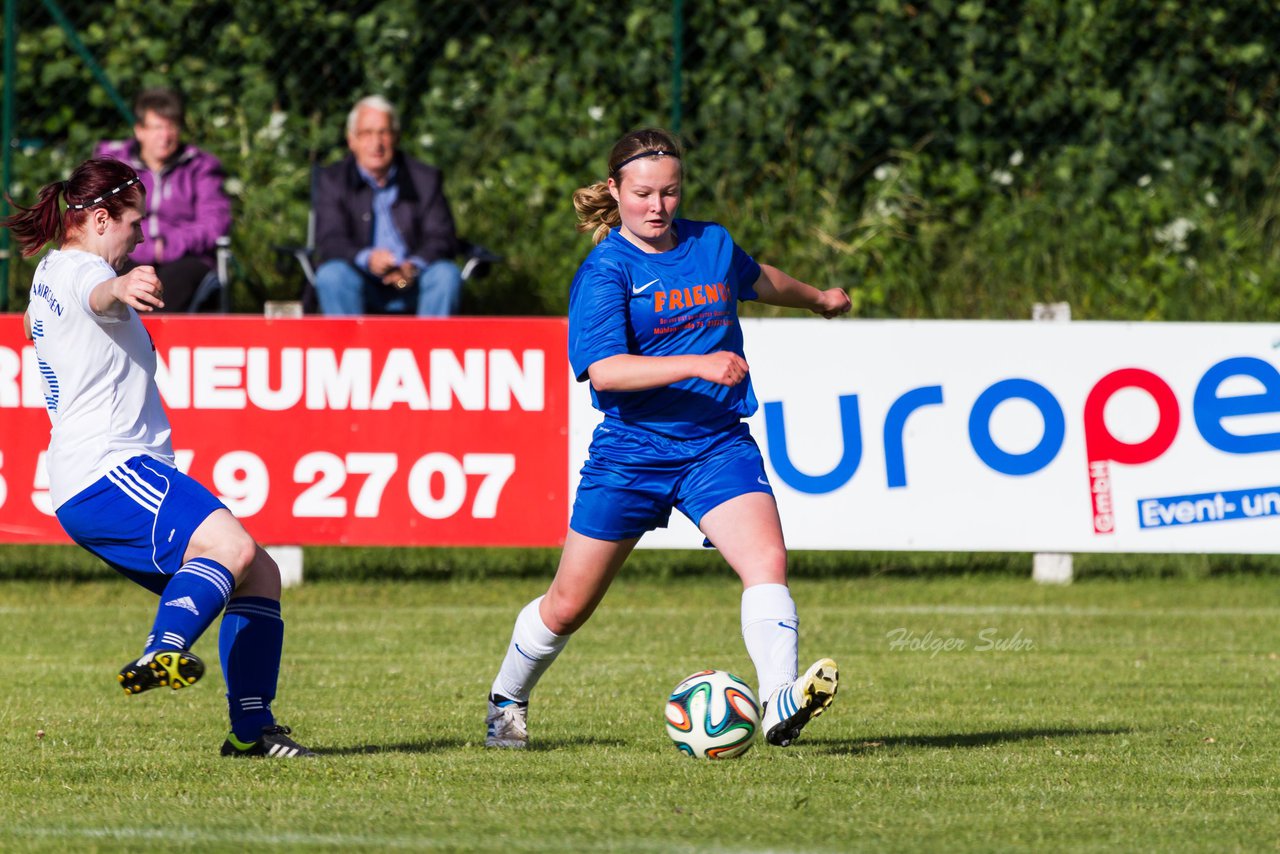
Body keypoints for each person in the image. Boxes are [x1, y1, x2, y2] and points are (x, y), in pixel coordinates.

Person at [485, 128, 852, 750]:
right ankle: (506, 701)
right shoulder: (606, 271)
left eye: (671, 192)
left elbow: (758, 279)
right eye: (643, 194)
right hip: (633, 452)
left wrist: (817, 298)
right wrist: (697, 363)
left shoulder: (711, 243)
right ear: (615, 191)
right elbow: (606, 371)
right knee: (568, 605)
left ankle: (779, 700)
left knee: (766, 563)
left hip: (716, 444)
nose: (658, 207)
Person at [4, 158, 312, 759]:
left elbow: (45, 319)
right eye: (133, 223)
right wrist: (120, 286)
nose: (140, 235)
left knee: (259, 574)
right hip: (110, 470)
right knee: (232, 549)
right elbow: (96, 293)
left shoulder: (50, 273)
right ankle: (160, 650)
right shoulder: (82, 270)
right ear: (98, 218)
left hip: (91, 481)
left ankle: (252, 731)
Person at [312, 95, 463, 317]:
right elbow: (330, 239)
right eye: (367, 133)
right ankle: (351, 350)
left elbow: (441, 236)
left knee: (446, 275)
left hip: (407, 284)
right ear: (351, 140)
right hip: (361, 284)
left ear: (396, 137)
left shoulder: (425, 179)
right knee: (332, 275)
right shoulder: (333, 181)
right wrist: (368, 258)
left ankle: (429, 348)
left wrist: (412, 266)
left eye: (384, 132)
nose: (376, 143)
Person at [95, 87, 231, 313]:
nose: (165, 136)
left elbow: (215, 224)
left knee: (168, 286)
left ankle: (155, 342)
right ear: (140, 130)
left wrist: (169, 246)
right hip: (126, 251)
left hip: (186, 258)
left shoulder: (201, 167)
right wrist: (145, 247)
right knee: (111, 276)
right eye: (157, 127)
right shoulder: (114, 165)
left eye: (172, 127)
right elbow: (100, 216)